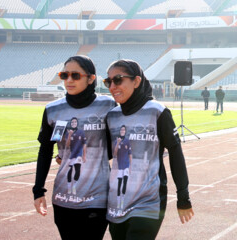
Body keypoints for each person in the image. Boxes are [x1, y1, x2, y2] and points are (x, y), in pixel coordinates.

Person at [103, 59, 194, 240]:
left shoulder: (157, 112)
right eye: (108, 82)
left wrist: (183, 196)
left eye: (118, 80)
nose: (112, 86)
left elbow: (176, 153)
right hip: (117, 201)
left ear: (136, 81)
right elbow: (104, 153)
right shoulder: (112, 116)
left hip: (149, 201)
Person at [33, 55, 116, 240]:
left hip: (98, 198)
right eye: (64, 75)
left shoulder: (108, 105)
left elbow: (115, 147)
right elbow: (45, 151)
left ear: (91, 78)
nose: (69, 80)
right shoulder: (53, 109)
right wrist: (38, 190)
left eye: (75, 75)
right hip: (63, 198)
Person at [113, 125, 132, 217]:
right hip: (120, 166)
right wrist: (118, 143)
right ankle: (118, 203)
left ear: (125, 131)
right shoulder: (116, 141)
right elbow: (115, 153)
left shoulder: (127, 141)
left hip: (126, 165)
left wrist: (131, 166)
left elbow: (130, 154)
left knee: (125, 182)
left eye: (124, 129)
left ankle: (123, 202)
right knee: (119, 183)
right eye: (121, 129)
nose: (122, 131)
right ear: (120, 131)